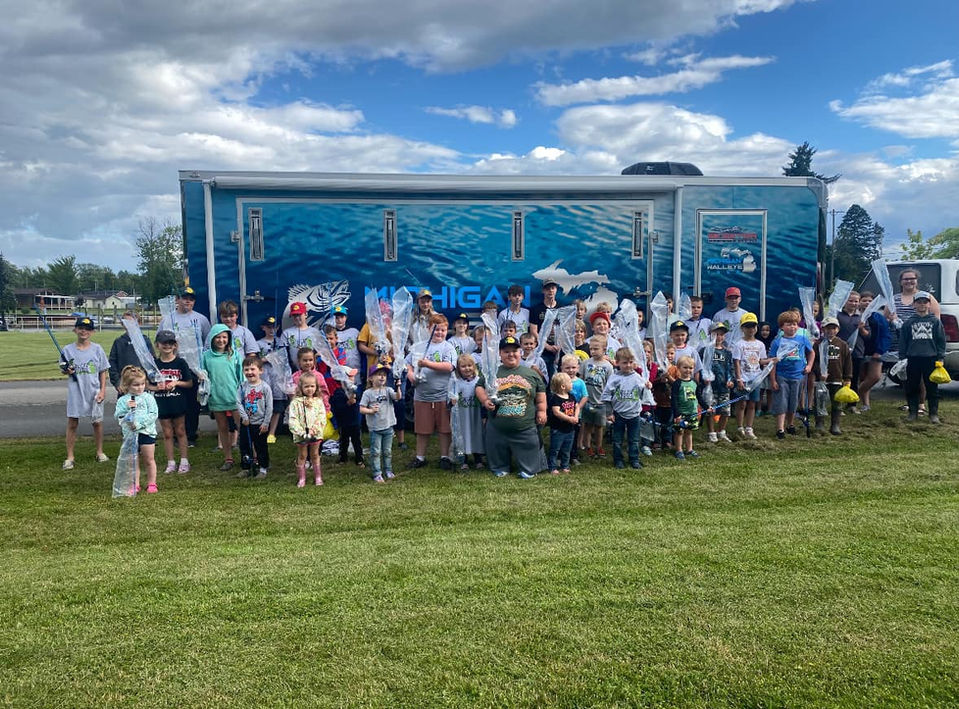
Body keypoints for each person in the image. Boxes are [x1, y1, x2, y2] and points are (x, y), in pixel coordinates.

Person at [475, 336, 547, 479]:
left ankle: (528, 469)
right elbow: (479, 387)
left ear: (520, 352)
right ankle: (500, 466)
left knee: (530, 446)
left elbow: (540, 394)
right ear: (500, 354)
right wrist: (484, 400)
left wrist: (542, 411)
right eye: (506, 351)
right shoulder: (492, 372)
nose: (511, 354)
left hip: (525, 426)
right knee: (496, 446)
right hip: (497, 425)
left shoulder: (531, 374)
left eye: (514, 351)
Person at [157, 287, 210, 447]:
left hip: (195, 368)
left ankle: (191, 435)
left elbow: (207, 341)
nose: (187, 301)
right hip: (174, 365)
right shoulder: (168, 319)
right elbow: (159, 339)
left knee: (192, 404)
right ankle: (174, 435)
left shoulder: (201, 319)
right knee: (175, 402)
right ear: (177, 300)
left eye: (191, 299)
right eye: (184, 298)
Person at [406, 313, 457, 469]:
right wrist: (410, 375)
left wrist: (427, 364)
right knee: (422, 429)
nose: (439, 333)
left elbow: (449, 366)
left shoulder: (448, 347)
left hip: (443, 395)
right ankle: (420, 457)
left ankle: (445, 457)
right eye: (436, 329)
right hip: (422, 396)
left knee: (444, 429)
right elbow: (407, 363)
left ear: (447, 331)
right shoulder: (418, 347)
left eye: (442, 330)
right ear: (429, 329)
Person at [61, 316, 110, 470]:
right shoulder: (67, 350)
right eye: (81, 328)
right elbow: (63, 369)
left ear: (92, 332)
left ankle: (100, 452)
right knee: (73, 423)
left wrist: (102, 390)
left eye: (87, 329)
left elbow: (103, 371)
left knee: (97, 422)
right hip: (76, 391)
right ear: (75, 330)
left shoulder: (97, 349)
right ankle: (70, 456)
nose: (84, 331)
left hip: (94, 390)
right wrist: (67, 370)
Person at [891, 268, 941, 414]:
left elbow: (937, 320)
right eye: (905, 279)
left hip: (927, 347)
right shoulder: (894, 299)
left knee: (928, 382)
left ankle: (923, 406)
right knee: (911, 379)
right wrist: (893, 320)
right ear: (900, 282)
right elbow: (888, 315)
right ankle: (912, 408)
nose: (909, 281)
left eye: (912, 278)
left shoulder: (928, 298)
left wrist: (939, 354)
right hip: (906, 345)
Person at [899, 291, 946, 424]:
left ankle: (933, 414)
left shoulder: (935, 322)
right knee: (911, 386)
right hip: (912, 358)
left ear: (929, 305)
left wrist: (940, 357)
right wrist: (902, 358)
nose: (922, 305)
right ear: (914, 304)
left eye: (925, 302)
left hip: (931, 358)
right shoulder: (908, 323)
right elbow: (903, 341)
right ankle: (913, 412)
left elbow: (941, 341)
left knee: (932, 387)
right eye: (919, 302)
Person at [201, 323, 243, 471]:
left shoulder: (234, 354)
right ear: (212, 338)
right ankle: (228, 457)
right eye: (218, 337)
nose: (221, 340)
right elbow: (204, 377)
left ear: (229, 338)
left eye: (224, 337)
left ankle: (249, 455)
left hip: (234, 397)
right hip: (217, 397)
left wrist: (243, 393)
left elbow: (240, 375)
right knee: (223, 428)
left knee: (242, 426)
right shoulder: (206, 356)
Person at [321, 325, 363, 467]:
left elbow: (339, 368)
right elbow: (321, 373)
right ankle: (341, 454)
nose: (329, 341)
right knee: (339, 425)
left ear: (336, 339)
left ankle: (359, 457)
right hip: (328, 392)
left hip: (341, 390)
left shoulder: (340, 352)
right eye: (325, 339)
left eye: (331, 338)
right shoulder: (320, 356)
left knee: (353, 431)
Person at [151, 329, 193, 475]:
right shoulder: (154, 364)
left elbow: (189, 383)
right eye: (164, 343)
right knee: (167, 433)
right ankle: (171, 462)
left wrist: (176, 383)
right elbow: (146, 384)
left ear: (175, 345)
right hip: (162, 402)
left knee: (180, 431)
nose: (167, 346)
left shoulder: (180, 362)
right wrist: (157, 387)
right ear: (157, 345)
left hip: (178, 401)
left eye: (170, 343)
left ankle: (184, 460)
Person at [769, 310, 814, 439]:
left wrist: (809, 365)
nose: (792, 327)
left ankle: (791, 424)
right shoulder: (777, 342)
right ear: (782, 327)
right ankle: (780, 428)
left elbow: (811, 353)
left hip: (798, 375)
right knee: (782, 401)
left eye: (795, 324)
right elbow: (773, 361)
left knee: (794, 401)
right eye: (788, 324)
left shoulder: (803, 339)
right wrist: (773, 380)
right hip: (782, 375)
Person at [114, 365, 159, 493]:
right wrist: (126, 409)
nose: (140, 387)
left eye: (142, 384)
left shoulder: (148, 398)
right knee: (133, 461)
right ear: (127, 385)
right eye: (135, 385)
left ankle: (152, 483)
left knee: (149, 459)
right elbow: (118, 415)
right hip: (130, 435)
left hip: (146, 433)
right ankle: (135, 484)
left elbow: (153, 414)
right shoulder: (123, 400)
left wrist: (139, 424)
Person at [602, 347, 646, 470]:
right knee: (617, 439)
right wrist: (609, 412)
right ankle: (618, 460)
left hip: (634, 413)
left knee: (634, 439)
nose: (628, 365)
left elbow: (644, 392)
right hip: (619, 414)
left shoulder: (637, 377)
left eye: (631, 362)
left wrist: (647, 386)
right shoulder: (614, 378)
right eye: (624, 363)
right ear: (617, 363)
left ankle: (634, 459)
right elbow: (606, 396)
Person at [359, 365, 402, 482]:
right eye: (379, 374)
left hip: (388, 426)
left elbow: (398, 397)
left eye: (384, 374)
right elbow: (361, 409)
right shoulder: (367, 393)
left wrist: (398, 387)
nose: (382, 377)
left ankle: (388, 470)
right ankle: (377, 473)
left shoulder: (388, 390)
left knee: (387, 451)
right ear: (371, 378)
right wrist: (371, 411)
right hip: (375, 428)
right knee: (376, 452)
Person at [813, 317, 853, 435]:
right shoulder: (818, 344)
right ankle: (819, 423)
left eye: (833, 328)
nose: (831, 331)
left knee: (837, 402)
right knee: (820, 401)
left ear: (838, 329)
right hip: (821, 380)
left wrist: (847, 377)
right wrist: (819, 372)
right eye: (828, 328)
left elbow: (847, 361)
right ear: (823, 329)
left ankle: (835, 425)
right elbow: (813, 360)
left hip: (837, 379)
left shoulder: (842, 344)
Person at [236, 355, 273, 479]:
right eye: (246, 370)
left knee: (261, 446)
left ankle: (263, 467)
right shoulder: (242, 387)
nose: (249, 372)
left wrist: (266, 423)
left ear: (260, 371)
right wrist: (244, 417)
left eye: (252, 369)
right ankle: (246, 467)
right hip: (246, 422)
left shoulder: (265, 387)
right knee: (245, 446)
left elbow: (269, 407)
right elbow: (238, 402)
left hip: (260, 423)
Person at [288, 372, 326, 487]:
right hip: (301, 435)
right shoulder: (295, 403)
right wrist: (301, 432)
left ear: (316, 387)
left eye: (312, 386)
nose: (310, 389)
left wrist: (315, 428)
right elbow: (293, 419)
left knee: (315, 454)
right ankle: (302, 478)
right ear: (301, 387)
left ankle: (318, 477)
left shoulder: (318, 401)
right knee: (302, 455)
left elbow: (321, 416)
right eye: (306, 386)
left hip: (315, 433)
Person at [732, 312, 766, 440]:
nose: (751, 329)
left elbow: (761, 361)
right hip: (744, 378)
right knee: (742, 403)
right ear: (742, 328)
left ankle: (749, 427)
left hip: (755, 379)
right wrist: (739, 378)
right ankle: (740, 427)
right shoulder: (739, 344)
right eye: (747, 327)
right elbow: (737, 362)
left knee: (752, 403)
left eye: (753, 326)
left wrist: (772, 360)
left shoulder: (760, 344)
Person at [856, 291, 892, 412]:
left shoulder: (879, 318)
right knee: (863, 377)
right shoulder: (856, 317)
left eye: (870, 301)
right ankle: (866, 404)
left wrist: (880, 350)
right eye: (864, 300)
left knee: (874, 377)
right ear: (859, 302)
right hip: (860, 351)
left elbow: (885, 335)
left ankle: (854, 395)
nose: (867, 303)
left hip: (875, 352)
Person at [448, 354, 485, 470]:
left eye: (469, 365)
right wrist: (451, 401)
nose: (467, 368)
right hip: (462, 416)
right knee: (462, 436)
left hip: (475, 414)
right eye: (463, 366)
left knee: (476, 435)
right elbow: (449, 399)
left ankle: (478, 459)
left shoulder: (479, 381)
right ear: (458, 368)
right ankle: (463, 460)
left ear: (474, 366)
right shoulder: (455, 382)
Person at [580, 336, 613, 457]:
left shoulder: (608, 366)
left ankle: (599, 447)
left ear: (604, 349)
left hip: (601, 402)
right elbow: (581, 379)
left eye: (596, 349)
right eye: (591, 349)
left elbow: (610, 385)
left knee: (599, 426)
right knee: (587, 425)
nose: (593, 351)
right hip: (588, 400)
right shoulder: (586, 363)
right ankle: (588, 446)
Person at [257, 316, 287, 444]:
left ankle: (272, 433)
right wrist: (265, 359)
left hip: (278, 379)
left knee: (277, 407)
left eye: (274, 327)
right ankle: (262, 429)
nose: (271, 330)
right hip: (264, 378)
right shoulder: (258, 344)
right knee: (263, 406)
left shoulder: (281, 342)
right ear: (263, 328)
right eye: (268, 327)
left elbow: (284, 360)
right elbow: (254, 361)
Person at [108, 312, 155, 394]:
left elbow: (152, 361)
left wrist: (149, 380)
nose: (129, 325)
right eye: (125, 322)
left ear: (139, 323)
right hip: (125, 385)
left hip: (142, 385)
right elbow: (112, 363)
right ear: (122, 324)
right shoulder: (119, 342)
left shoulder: (145, 341)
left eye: (131, 322)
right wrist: (117, 382)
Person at [704, 322, 734, 443]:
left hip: (723, 386)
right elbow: (703, 366)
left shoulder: (727, 352)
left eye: (721, 334)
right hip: (710, 386)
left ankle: (721, 431)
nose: (719, 337)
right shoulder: (705, 350)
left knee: (725, 411)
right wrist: (704, 378)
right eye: (716, 334)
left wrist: (730, 380)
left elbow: (730, 368)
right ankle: (711, 432)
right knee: (710, 409)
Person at [546, 372, 578, 475]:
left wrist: (576, 416)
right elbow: (556, 412)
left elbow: (576, 407)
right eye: (569, 381)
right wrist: (569, 419)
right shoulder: (555, 398)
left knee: (566, 449)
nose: (572, 383)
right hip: (558, 429)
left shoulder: (571, 396)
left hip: (570, 429)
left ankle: (565, 466)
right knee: (555, 449)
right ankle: (552, 467)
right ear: (563, 386)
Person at [559, 354, 588, 465]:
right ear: (562, 368)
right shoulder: (559, 380)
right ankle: (560, 455)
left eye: (573, 367)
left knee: (574, 435)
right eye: (567, 368)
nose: (570, 370)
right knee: (561, 435)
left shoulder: (580, 382)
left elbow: (585, 396)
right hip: (562, 414)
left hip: (576, 415)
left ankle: (573, 455)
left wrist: (579, 407)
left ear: (578, 368)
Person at [671, 355, 700, 460]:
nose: (688, 370)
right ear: (679, 368)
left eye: (691, 368)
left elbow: (699, 396)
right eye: (685, 367)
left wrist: (707, 406)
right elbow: (673, 400)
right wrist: (677, 414)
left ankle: (689, 449)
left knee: (689, 431)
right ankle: (679, 450)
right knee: (679, 431)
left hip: (692, 412)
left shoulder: (694, 383)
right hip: (681, 413)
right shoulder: (677, 383)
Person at [530, 279, 561, 378]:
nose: (550, 291)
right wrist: (546, 346)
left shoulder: (562, 309)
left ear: (556, 289)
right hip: (542, 351)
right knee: (544, 378)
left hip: (559, 350)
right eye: (548, 289)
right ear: (543, 291)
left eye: (553, 288)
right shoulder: (536, 309)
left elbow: (566, 330)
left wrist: (559, 345)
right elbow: (533, 331)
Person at [281, 301, 323, 370]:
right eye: (294, 315)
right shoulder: (287, 333)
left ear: (306, 314)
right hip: (293, 370)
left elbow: (320, 352)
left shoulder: (315, 332)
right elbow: (283, 354)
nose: (297, 318)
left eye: (299, 315)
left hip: (311, 370)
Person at [331, 304, 362, 376]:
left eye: (342, 317)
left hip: (355, 370)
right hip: (338, 371)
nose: (339, 320)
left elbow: (361, 348)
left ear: (346, 317)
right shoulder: (331, 334)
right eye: (337, 318)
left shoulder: (354, 332)